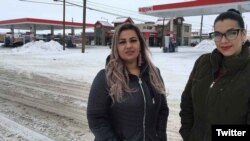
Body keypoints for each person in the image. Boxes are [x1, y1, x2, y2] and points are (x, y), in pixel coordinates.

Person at [87, 23, 169, 141]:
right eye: (122, 42)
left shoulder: (154, 73)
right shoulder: (105, 78)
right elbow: (96, 120)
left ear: (140, 44)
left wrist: (160, 136)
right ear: (116, 47)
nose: (128, 45)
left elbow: (162, 110)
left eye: (133, 40)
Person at [179, 9, 250, 141]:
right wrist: (188, 133)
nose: (223, 40)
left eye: (231, 33)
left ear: (243, 35)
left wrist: (217, 134)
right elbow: (187, 101)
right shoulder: (203, 63)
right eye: (218, 34)